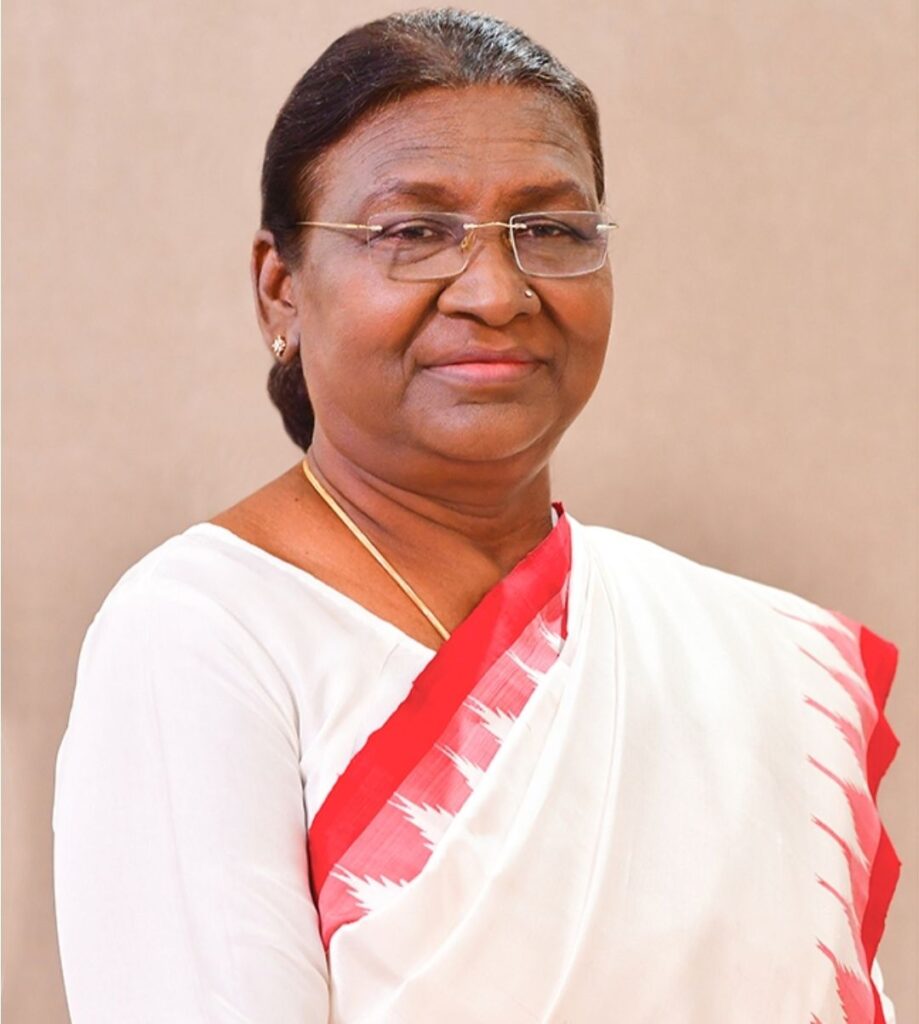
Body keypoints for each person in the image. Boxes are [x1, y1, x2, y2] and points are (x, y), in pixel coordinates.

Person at [52, 8, 900, 1023]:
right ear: (281, 291)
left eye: (549, 231)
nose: (496, 294)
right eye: (413, 233)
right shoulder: (204, 632)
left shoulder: (743, 653)